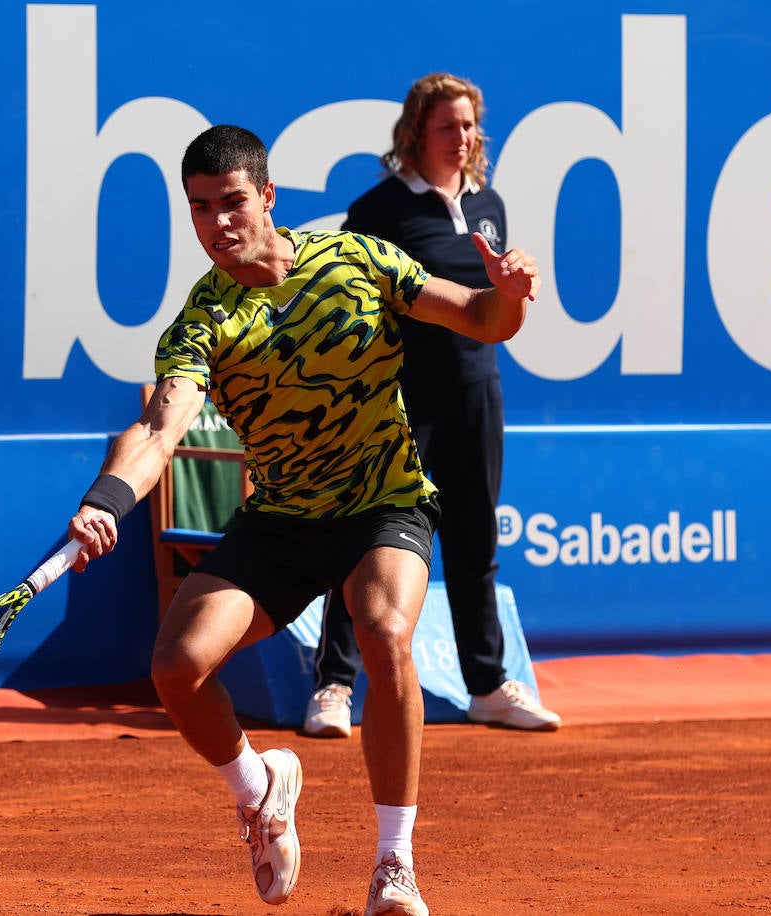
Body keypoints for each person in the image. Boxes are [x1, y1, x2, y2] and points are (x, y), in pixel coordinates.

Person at [65, 123, 539, 914]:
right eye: (200, 207)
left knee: (386, 629)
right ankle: (260, 793)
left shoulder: (356, 260)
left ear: (268, 197)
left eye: (233, 202)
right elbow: (158, 431)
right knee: (177, 669)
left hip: (383, 500)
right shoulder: (203, 321)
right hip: (282, 520)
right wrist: (106, 500)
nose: (218, 222)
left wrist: (512, 295)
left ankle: (395, 865)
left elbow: (482, 320)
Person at [302, 73, 561, 742]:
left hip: (478, 392)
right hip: (399, 400)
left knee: (475, 542)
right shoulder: (378, 211)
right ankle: (334, 687)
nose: (463, 138)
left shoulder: (489, 205)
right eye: (449, 126)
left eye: (470, 126)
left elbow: (498, 305)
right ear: (417, 133)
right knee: (369, 542)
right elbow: (348, 306)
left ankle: (486, 686)